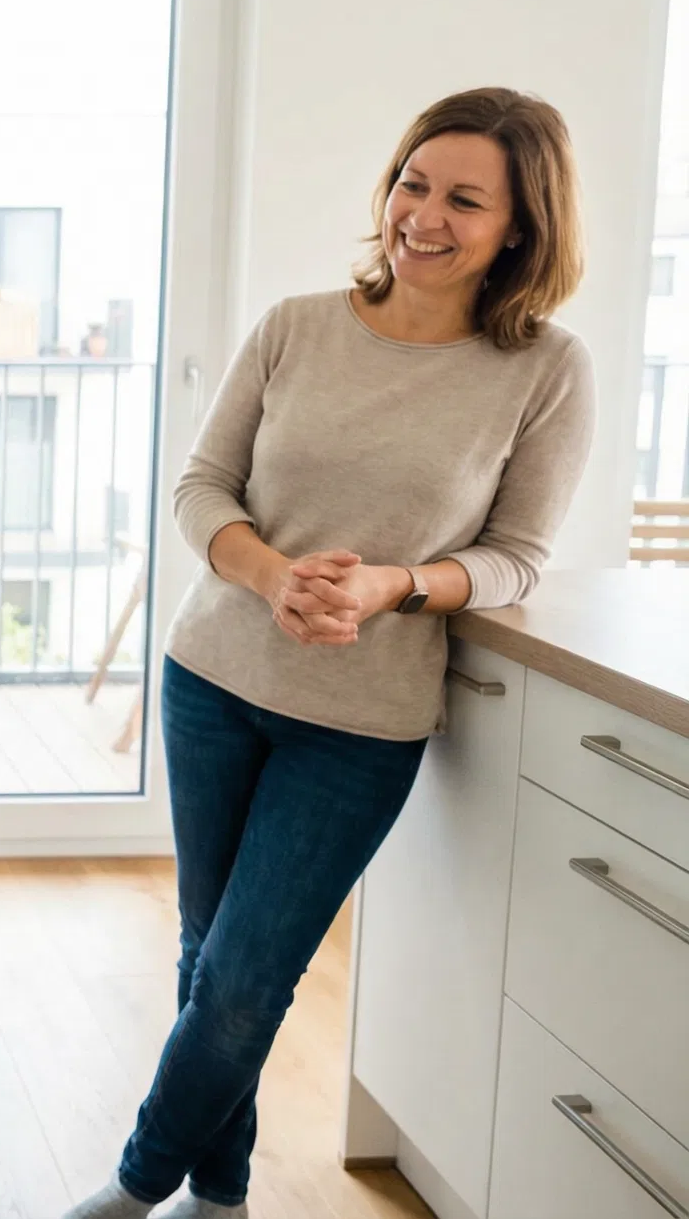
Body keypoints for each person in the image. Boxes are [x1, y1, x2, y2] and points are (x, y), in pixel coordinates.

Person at [63, 87, 595, 1219]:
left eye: (465, 199)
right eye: (413, 181)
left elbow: (516, 557)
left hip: (363, 722)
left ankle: (134, 1186)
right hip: (213, 678)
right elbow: (200, 488)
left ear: (521, 227)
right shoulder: (297, 324)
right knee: (209, 955)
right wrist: (272, 576)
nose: (424, 215)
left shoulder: (545, 370)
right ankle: (221, 1196)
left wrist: (400, 584)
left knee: (248, 978)